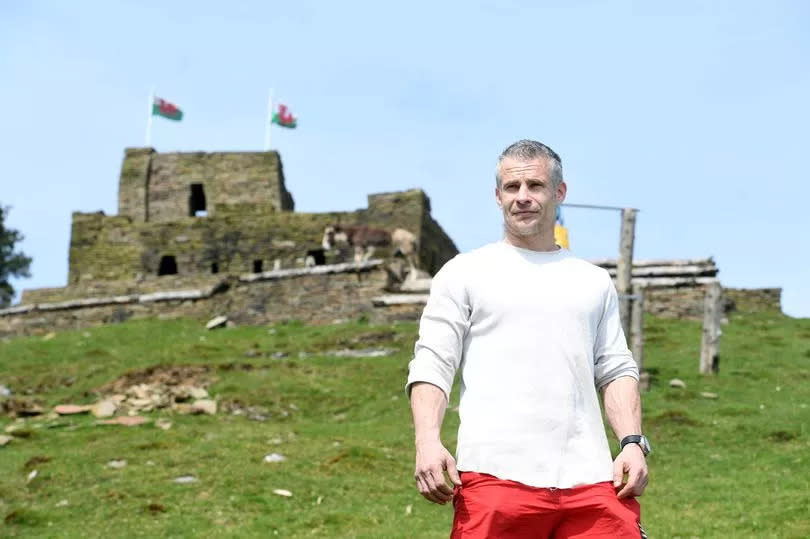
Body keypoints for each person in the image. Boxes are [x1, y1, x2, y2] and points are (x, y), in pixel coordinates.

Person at [406, 140, 650, 538]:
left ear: (559, 192)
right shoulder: (464, 272)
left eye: (535, 186)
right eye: (511, 187)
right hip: (494, 478)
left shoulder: (592, 281)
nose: (522, 197)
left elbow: (615, 368)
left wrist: (632, 443)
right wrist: (427, 442)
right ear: (497, 195)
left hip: (591, 481)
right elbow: (432, 363)